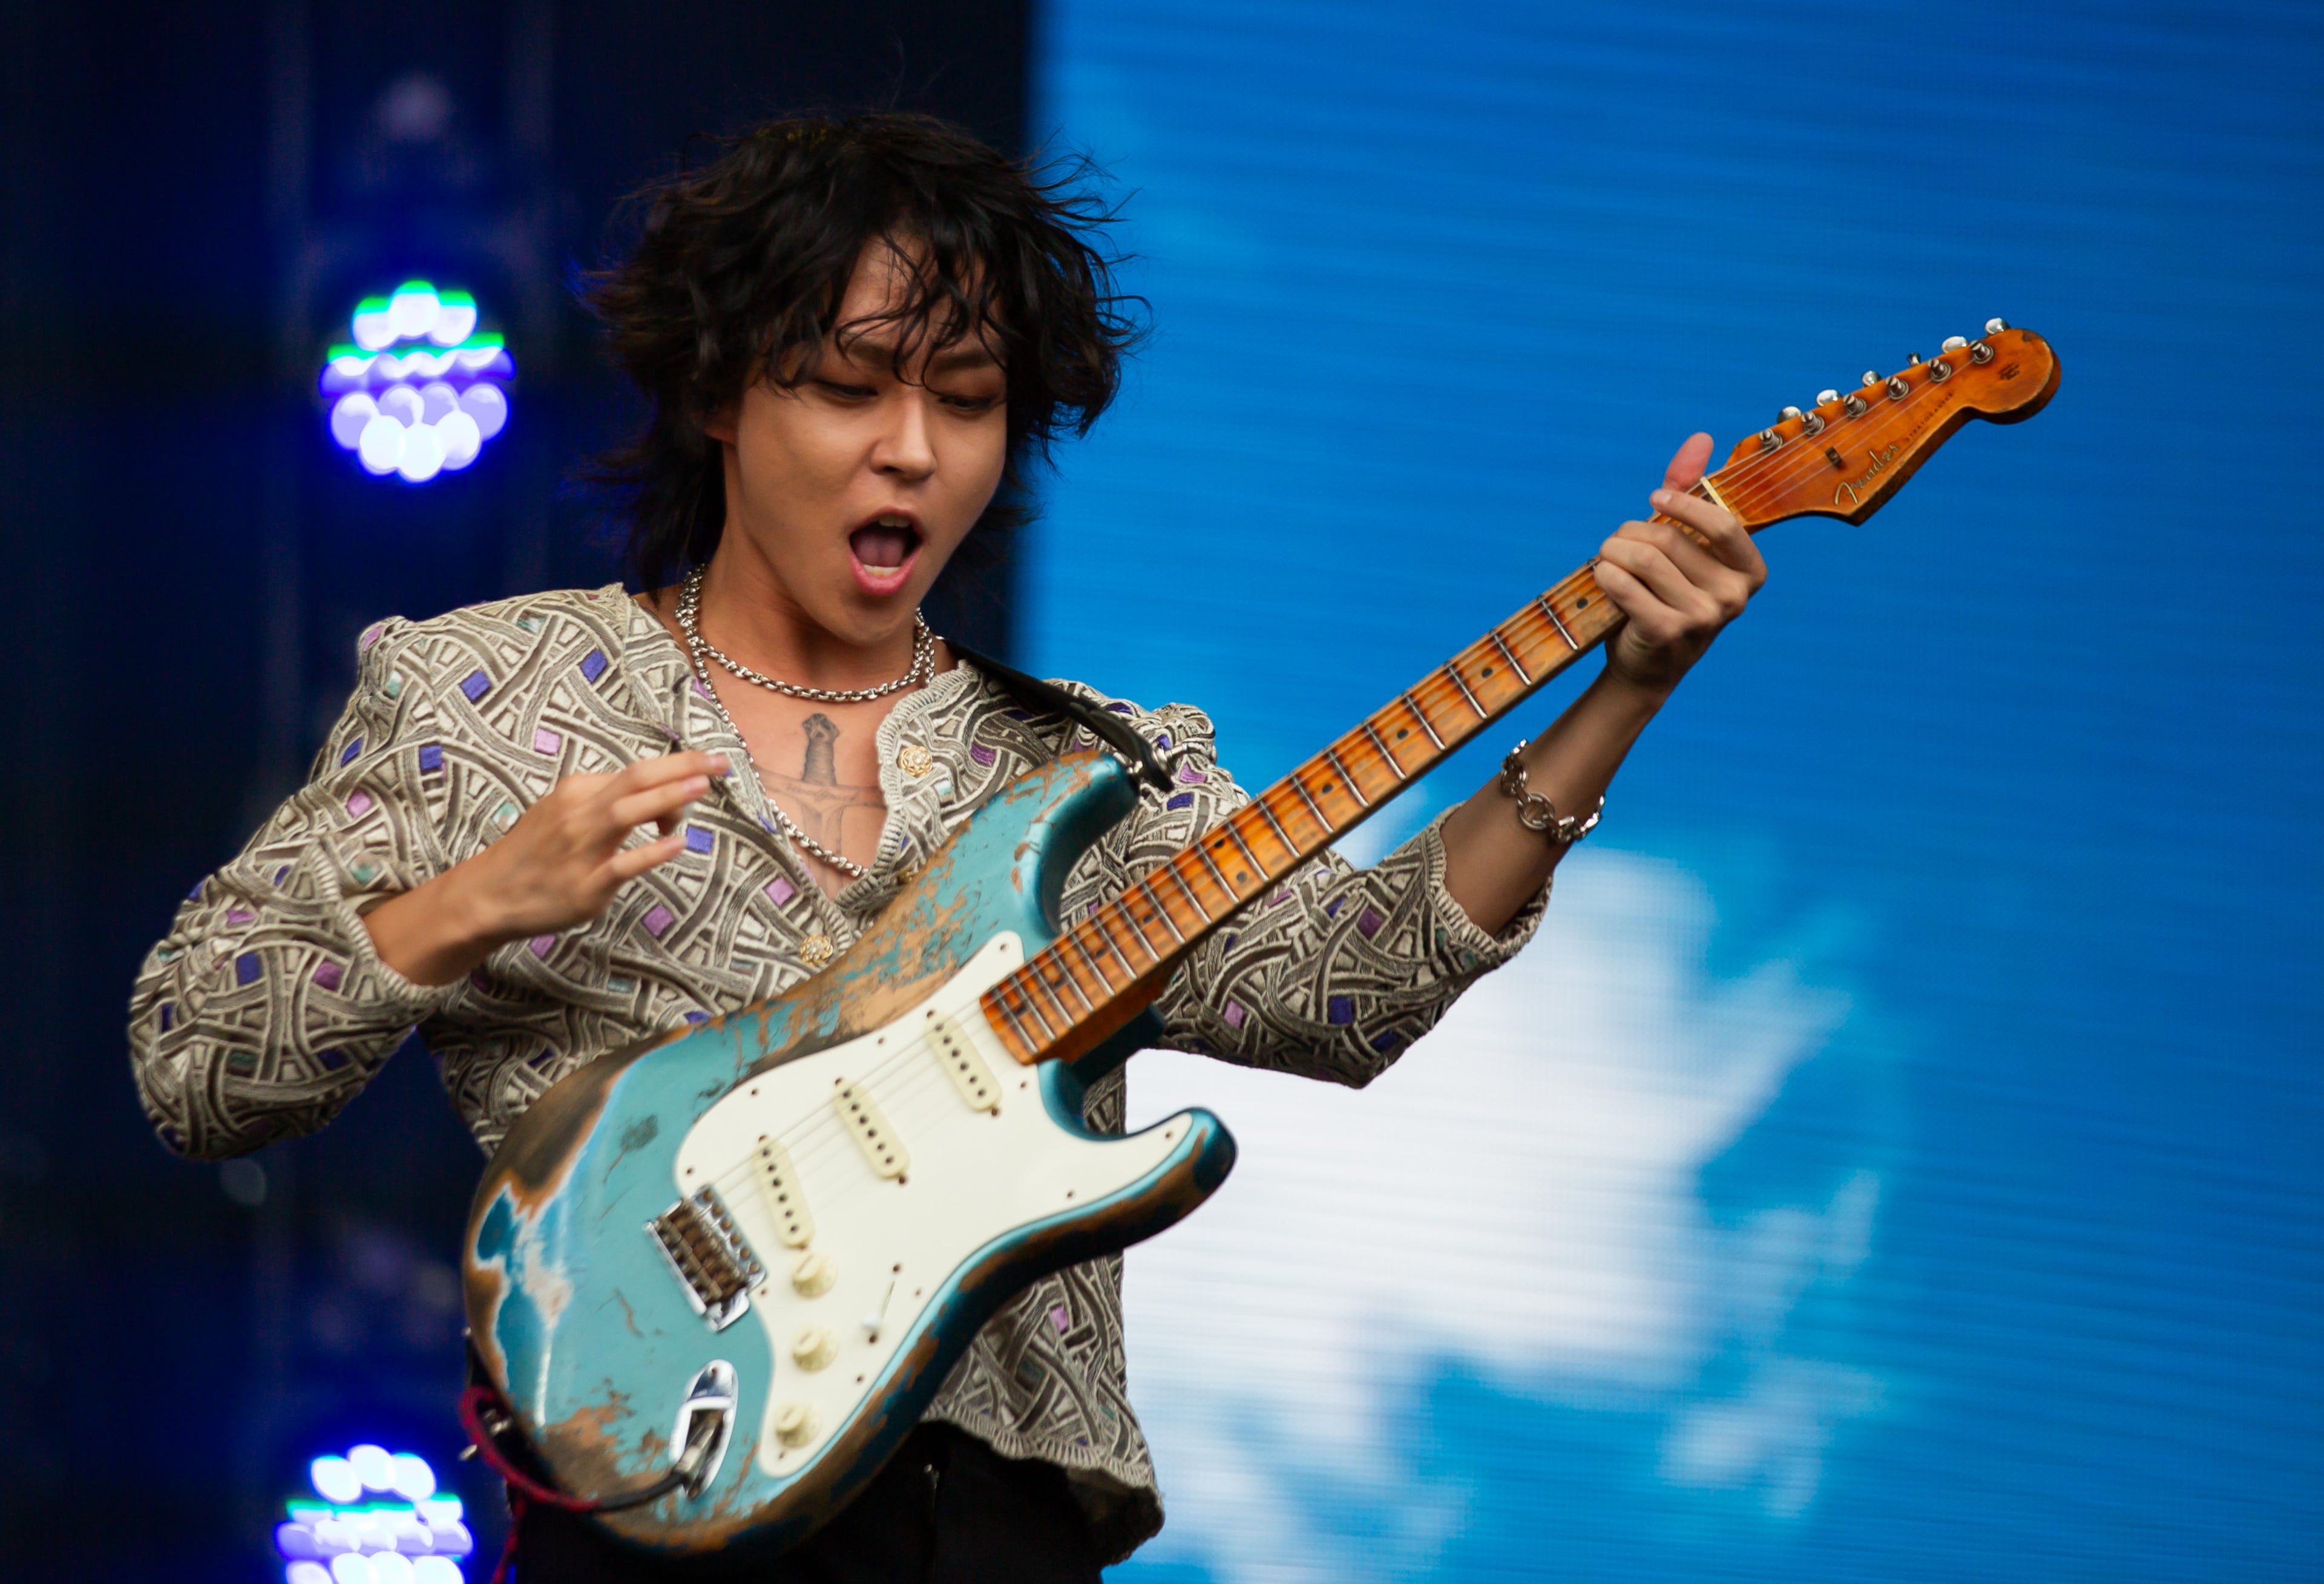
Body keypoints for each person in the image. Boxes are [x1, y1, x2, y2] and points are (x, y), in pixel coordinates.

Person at [128, 113, 1764, 1580]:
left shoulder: (1094, 768)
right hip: (657, 1500)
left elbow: (1353, 990)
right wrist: (479, 899)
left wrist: (1622, 689)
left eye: (968, 402)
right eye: (850, 385)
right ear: (718, 391)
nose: (912, 446)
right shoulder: (491, 691)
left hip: (994, 1532)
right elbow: (195, 1054)